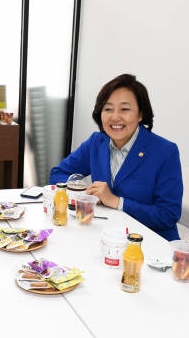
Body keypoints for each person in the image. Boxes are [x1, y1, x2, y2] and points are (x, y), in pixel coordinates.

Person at [49, 73, 182, 240]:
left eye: (125, 109)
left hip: (150, 244)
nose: (115, 117)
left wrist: (117, 201)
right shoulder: (96, 142)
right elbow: (57, 174)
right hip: (105, 235)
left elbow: (168, 215)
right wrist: (83, 192)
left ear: (141, 114)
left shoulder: (165, 151)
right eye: (108, 109)